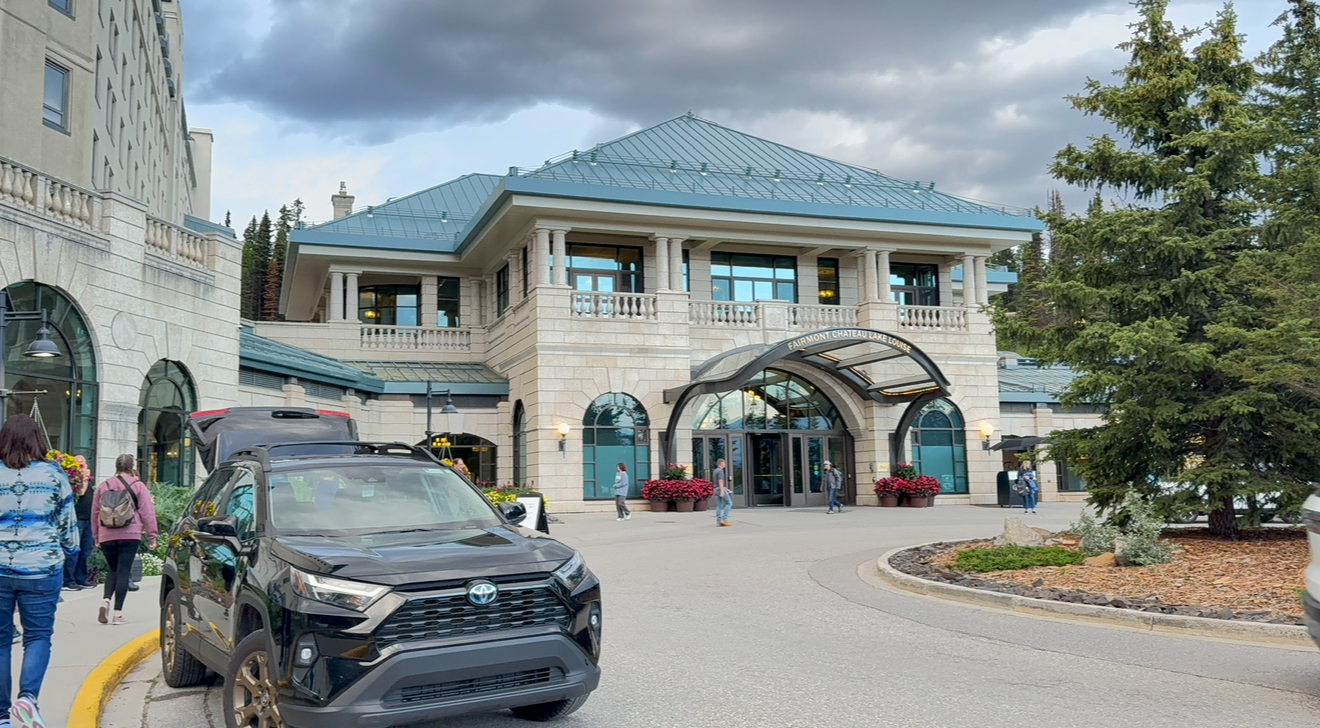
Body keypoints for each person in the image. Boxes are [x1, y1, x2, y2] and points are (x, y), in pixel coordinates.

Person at [0, 414, 79, 728]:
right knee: (38, 636)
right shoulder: (53, 473)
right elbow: (68, 523)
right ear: (38, 440)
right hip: (41, 568)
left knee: (1, 640)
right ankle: (27, 698)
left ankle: (2, 715)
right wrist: (71, 552)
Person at [91, 454, 157, 626]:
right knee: (124, 571)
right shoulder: (138, 486)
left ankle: (105, 600)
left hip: (106, 534)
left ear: (116, 466)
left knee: (113, 569)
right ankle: (118, 614)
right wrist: (152, 536)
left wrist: (96, 535)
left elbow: (95, 513)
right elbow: (147, 512)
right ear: (131, 466)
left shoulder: (104, 486)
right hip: (130, 533)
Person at [62, 469, 96, 591]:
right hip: (78, 519)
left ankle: (81, 578)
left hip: (88, 519)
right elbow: (80, 493)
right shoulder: (74, 481)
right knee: (73, 550)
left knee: (86, 550)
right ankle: (69, 581)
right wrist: (84, 480)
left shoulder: (88, 482)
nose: (87, 469)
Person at [713, 458, 732, 527]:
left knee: (719, 506)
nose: (725, 464)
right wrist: (722, 491)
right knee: (729, 503)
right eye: (724, 463)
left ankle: (719, 521)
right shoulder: (720, 471)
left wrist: (726, 489)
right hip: (720, 489)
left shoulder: (715, 471)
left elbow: (717, 483)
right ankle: (725, 520)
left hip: (715, 489)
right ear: (721, 463)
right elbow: (720, 481)